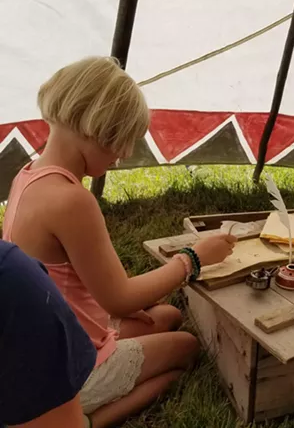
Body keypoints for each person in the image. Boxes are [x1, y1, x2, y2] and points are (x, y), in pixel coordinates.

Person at [2, 56, 237, 428]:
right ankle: (85, 418)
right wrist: (192, 258)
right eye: (122, 141)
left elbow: (92, 291)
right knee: (186, 348)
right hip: (67, 368)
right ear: (97, 130)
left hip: (53, 338)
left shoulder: (28, 175)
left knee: (169, 316)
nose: (124, 155)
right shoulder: (72, 201)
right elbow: (120, 298)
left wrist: (119, 310)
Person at [0, 240, 96, 428]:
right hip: (72, 355)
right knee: (170, 338)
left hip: (79, 337)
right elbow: (119, 299)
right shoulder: (9, 272)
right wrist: (173, 268)